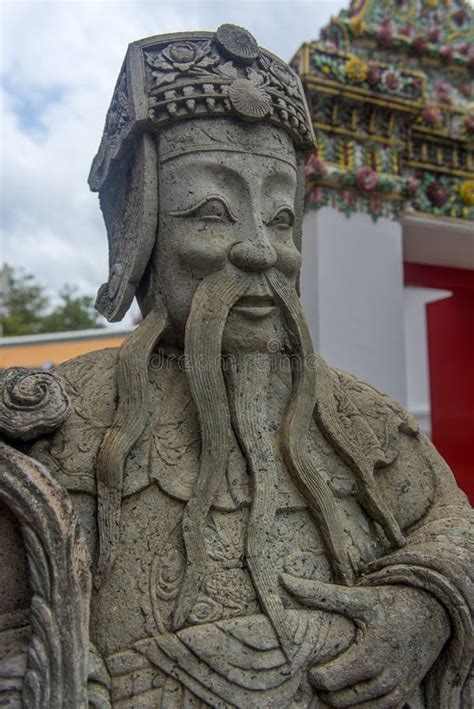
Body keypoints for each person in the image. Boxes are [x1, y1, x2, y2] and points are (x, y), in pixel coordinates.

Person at [0, 25, 472, 708]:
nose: (260, 250)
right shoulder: (54, 426)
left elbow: (457, 531)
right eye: (212, 212)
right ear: (143, 230)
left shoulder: (369, 421)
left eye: (281, 219)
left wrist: (425, 605)